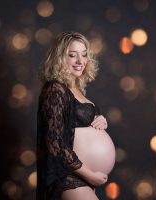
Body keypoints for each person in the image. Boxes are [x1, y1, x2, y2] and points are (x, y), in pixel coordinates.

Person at [36, 31, 109, 200]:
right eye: (72, 55)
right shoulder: (55, 89)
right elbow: (54, 143)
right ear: (60, 58)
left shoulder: (77, 88)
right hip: (66, 176)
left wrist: (100, 121)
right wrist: (89, 174)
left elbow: (78, 123)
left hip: (82, 177)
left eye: (84, 55)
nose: (80, 61)